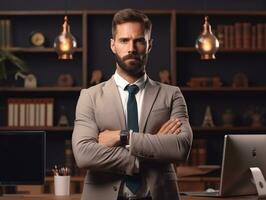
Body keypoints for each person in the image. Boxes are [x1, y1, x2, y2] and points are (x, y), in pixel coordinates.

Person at [72, 8, 193, 200]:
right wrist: (153, 149)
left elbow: (180, 147)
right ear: (113, 45)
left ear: (149, 45)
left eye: (139, 41)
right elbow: (84, 154)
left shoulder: (171, 94)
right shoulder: (90, 96)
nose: (131, 48)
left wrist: (124, 137)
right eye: (124, 40)